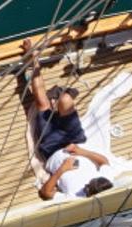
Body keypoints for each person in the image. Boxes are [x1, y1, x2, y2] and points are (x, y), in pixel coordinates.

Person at [20, 39, 115, 199]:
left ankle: (33, 59)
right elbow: (103, 161)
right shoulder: (106, 182)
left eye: (88, 187)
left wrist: (62, 170)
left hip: (52, 148)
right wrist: (80, 151)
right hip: (75, 141)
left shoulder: (75, 194)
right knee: (65, 99)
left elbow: (45, 194)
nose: (86, 184)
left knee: (41, 103)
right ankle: (60, 96)